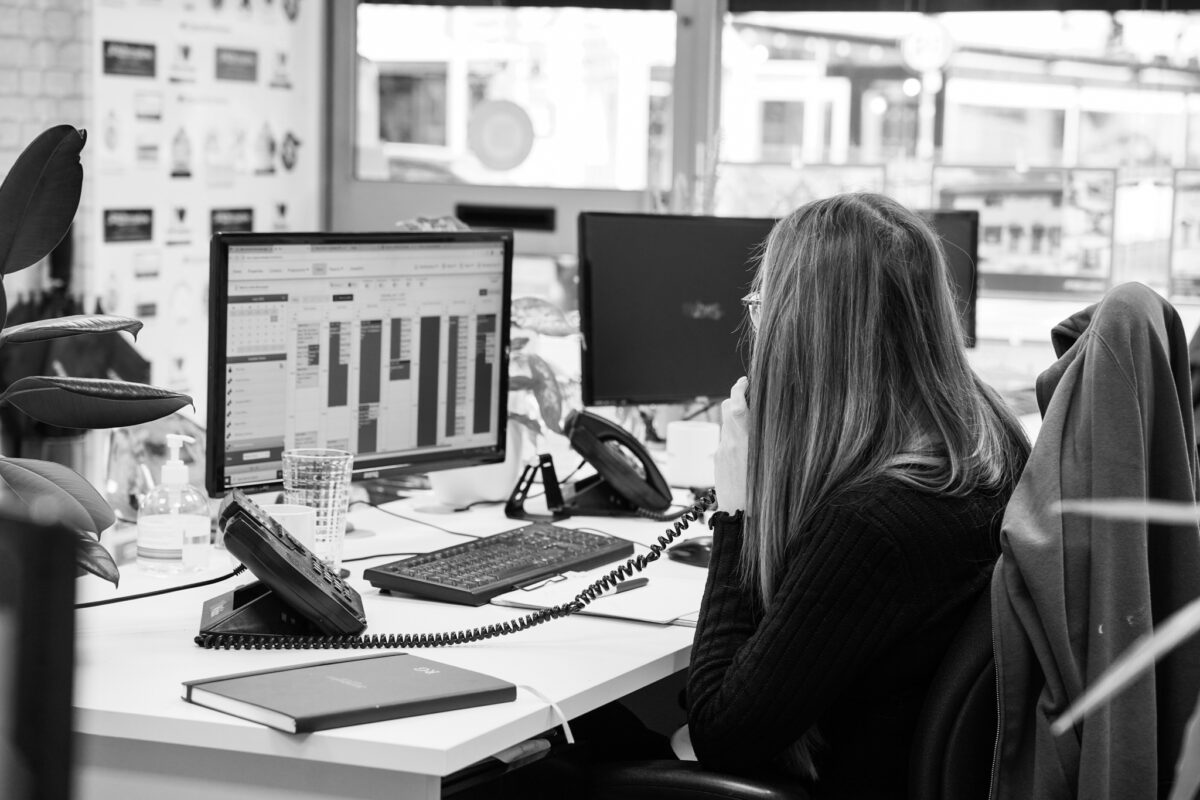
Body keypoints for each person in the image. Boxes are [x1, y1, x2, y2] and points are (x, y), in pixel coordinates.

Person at [687, 192, 1031, 798]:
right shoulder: (988, 444)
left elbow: (720, 731)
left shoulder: (874, 524)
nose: (759, 330)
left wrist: (736, 509)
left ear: (804, 333)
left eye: (763, 308)